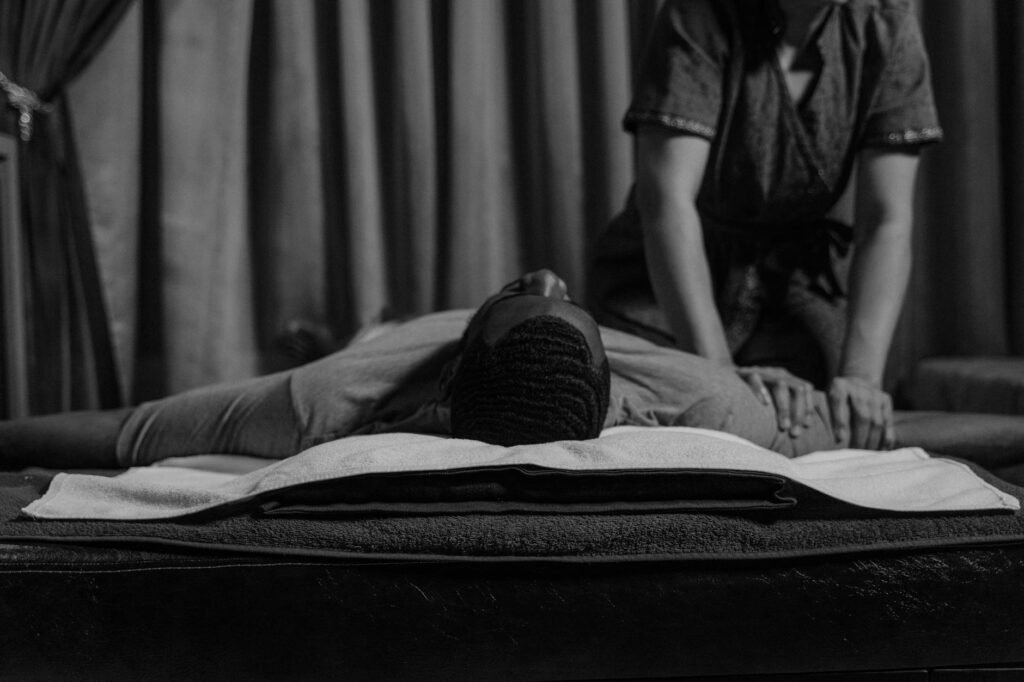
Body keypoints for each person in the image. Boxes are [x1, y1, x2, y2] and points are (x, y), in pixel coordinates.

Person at [0, 270, 852, 471]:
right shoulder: (720, 407)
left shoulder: (319, 406)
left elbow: (131, 432)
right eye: (541, 292)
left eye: (522, 291)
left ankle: (349, 328)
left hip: (407, 344)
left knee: (351, 343)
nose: (547, 274)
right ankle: (352, 325)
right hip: (414, 341)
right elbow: (866, 430)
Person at [589, 0, 942, 452]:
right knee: (683, 421)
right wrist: (718, 372)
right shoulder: (698, 14)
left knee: (824, 425)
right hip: (662, 287)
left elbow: (886, 221)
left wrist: (861, 379)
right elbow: (668, 204)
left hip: (792, 283)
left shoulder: (886, 25)